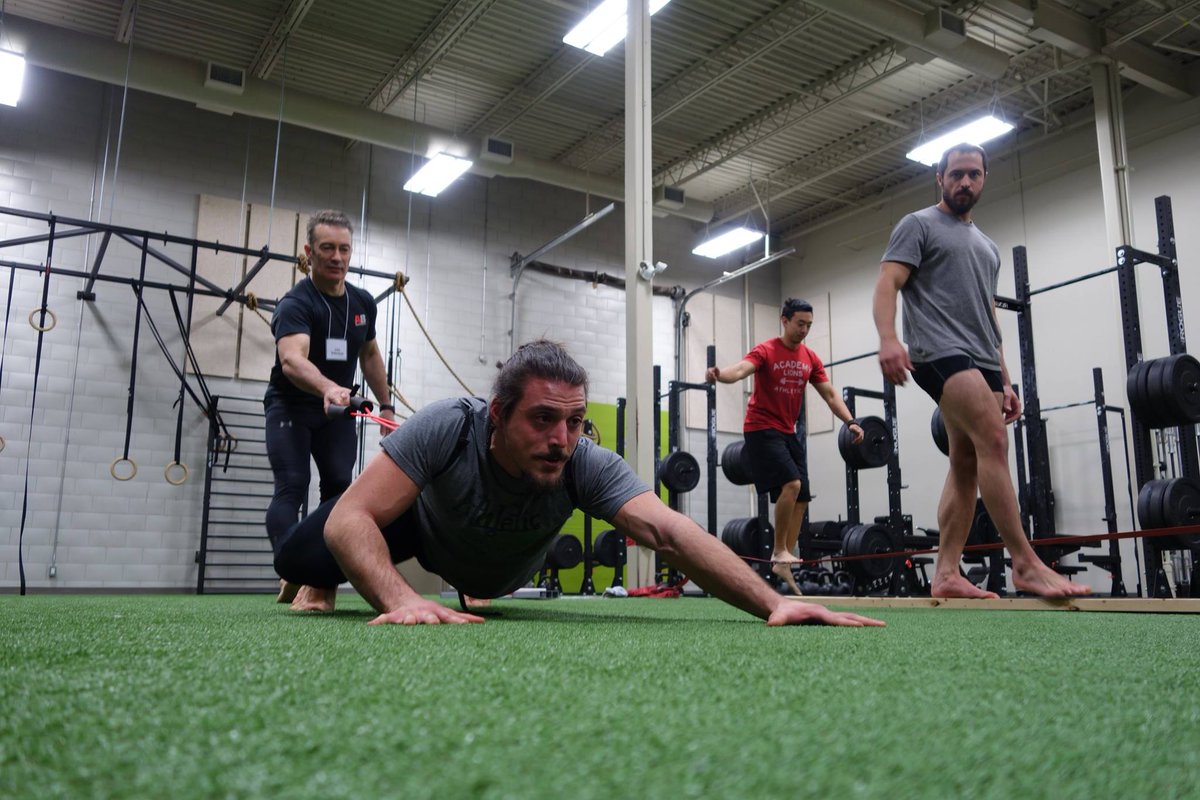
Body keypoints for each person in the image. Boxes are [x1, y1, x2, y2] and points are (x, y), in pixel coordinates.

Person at [272, 339, 884, 627]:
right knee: (312, 545)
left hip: (489, 571)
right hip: (426, 534)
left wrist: (775, 601)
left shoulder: (582, 462)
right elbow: (353, 520)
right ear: (498, 416)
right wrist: (402, 599)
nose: (561, 439)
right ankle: (313, 582)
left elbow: (669, 532)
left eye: (573, 421)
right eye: (541, 419)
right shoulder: (447, 429)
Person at [872, 143, 1090, 599]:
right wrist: (889, 338)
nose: (964, 182)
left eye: (973, 174)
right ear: (940, 177)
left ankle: (947, 574)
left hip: (983, 359)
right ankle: (1026, 564)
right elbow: (888, 281)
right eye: (956, 174)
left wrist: (1005, 378)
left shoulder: (987, 246)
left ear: (985, 178)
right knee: (993, 440)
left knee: (965, 461)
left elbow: (988, 314)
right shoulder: (918, 225)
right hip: (937, 351)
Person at [264, 209, 395, 583]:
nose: (337, 258)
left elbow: (369, 354)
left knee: (340, 486)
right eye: (327, 249)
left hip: (336, 412)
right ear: (310, 251)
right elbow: (291, 360)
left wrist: (385, 403)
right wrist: (327, 387)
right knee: (292, 483)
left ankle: (320, 573)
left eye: (344, 249)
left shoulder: (363, 303)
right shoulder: (296, 303)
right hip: (291, 406)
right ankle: (290, 568)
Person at [705, 299, 863, 595]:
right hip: (761, 428)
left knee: (802, 494)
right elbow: (740, 370)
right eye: (800, 324)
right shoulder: (766, 350)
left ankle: (784, 559)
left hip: (787, 431)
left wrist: (850, 421)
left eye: (809, 325)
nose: (804, 330)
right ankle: (778, 551)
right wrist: (719, 375)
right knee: (791, 484)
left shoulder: (809, 358)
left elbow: (829, 394)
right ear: (785, 320)